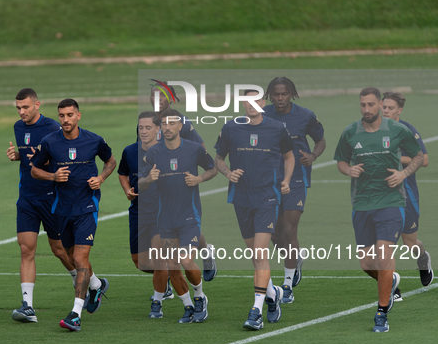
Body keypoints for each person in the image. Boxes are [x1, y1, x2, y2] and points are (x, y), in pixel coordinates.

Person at [334, 87, 424, 333]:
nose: (367, 109)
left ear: (379, 105)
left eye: (372, 105)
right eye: (363, 105)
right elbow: (341, 159)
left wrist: (403, 173)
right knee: (366, 263)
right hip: (362, 203)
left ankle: (382, 313)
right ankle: (391, 279)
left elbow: (419, 157)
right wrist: (347, 170)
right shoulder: (350, 132)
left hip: (391, 202)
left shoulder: (397, 130)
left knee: (384, 255)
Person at [31, 99, 115, 332]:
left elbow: (110, 161)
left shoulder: (94, 140)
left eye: (70, 115)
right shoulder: (49, 142)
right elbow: (34, 169)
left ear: (79, 116)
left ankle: (75, 313)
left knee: (79, 259)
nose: (65, 119)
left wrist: (101, 179)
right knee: (69, 255)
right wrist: (52, 177)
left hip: (87, 207)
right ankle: (96, 285)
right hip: (61, 208)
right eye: (61, 115)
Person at [214, 90, 294, 330]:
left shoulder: (277, 128)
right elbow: (218, 158)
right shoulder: (231, 128)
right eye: (246, 101)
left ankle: (256, 311)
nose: (250, 104)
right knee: (255, 254)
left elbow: (289, 157)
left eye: (255, 100)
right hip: (241, 199)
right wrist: (228, 172)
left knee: (260, 253)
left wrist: (287, 180)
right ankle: (273, 294)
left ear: (263, 103)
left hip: (268, 198)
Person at [139, 109, 218, 323]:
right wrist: (148, 179)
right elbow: (139, 184)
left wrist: (199, 179)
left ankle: (200, 296)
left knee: (185, 260)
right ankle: (189, 306)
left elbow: (213, 168)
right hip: (165, 220)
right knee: (173, 266)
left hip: (189, 217)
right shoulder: (154, 153)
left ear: (180, 126)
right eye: (163, 124)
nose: (167, 127)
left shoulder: (194, 150)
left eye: (171, 123)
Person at [5, 88, 76, 323]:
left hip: (50, 197)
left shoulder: (53, 128)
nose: (21, 112)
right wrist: (18, 155)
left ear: (37, 105)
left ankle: (89, 282)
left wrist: (47, 164)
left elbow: (63, 158)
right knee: (26, 249)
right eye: (18, 108)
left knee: (60, 250)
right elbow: (28, 157)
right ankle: (28, 307)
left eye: (25, 107)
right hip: (26, 197)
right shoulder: (18, 127)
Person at [144, 81, 218, 282]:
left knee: (183, 230)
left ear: (170, 98)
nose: (156, 99)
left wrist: (194, 176)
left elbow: (199, 148)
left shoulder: (180, 121)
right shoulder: (148, 121)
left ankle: (203, 254)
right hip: (157, 185)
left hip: (181, 185)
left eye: (161, 96)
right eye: (153, 95)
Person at [263, 77, 326, 303]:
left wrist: (313, 155)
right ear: (271, 95)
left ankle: (287, 284)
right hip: (269, 180)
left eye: (284, 94)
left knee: (289, 230)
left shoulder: (305, 115)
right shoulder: (262, 113)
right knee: (274, 234)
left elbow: (320, 140)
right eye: (276, 94)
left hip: (296, 178)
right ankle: (295, 259)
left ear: (291, 94)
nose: (280, 98)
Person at [118, 112, 173, 310]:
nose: (143, 131)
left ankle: (158, 301)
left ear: (158, 130)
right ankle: (168, 274)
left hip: (161, 212)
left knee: (158, 258)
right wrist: (127, 191)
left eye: (148, 128)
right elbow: (122, 173)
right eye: (141, 128)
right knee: (140, 262)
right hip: (138, 212)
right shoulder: (130, 151)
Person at [381, 91, 433, 297]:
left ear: (399, 110)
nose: (385, 111)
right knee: (384, 244)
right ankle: (391, 286)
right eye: (383, 107)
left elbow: (424, 159)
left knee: (410, 243)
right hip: (380, 196)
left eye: (390, 108)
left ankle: (422, 259)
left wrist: (393, 157)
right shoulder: (371, 130)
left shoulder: (406, 130)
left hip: (406, 194)